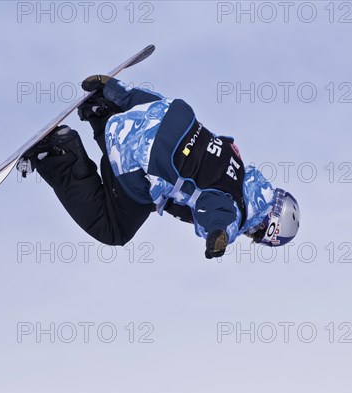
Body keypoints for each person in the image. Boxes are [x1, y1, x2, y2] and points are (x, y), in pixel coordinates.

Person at [21, 76, 300, 259]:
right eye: (256, 235)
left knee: (157, 161)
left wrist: (121, 94)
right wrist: (220, 235)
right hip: (141, 160)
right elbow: (216, 212)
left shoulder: (236, 162)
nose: (249, 236)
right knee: (115, 229)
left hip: (159, 117)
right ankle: (57, 152)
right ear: (266, 225)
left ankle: (105, 106)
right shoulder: (234, 208)